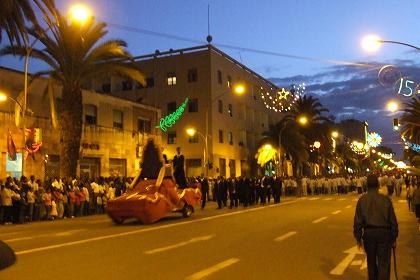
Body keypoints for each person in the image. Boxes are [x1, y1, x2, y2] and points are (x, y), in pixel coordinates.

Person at [353, 174, 398, 280]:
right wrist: (394, 236)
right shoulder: (385, 200)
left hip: (369, 235)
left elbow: (358, 222)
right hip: (384, 234)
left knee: (371, 263)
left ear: (367, 186)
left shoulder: (362, 200)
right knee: (384, 263)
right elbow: (393, 221)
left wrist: (358, 238)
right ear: (378, 185)